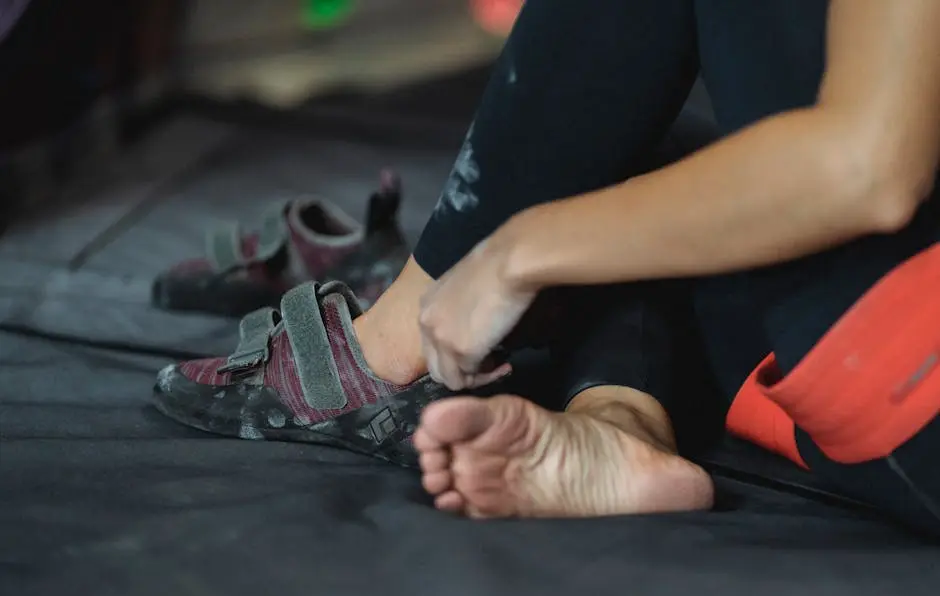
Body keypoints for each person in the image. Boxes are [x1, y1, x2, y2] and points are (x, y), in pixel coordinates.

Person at [154, 0, 940, 534]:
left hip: (913, 383)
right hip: (900, 404)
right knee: (632, 162)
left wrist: (514, 251)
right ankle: (620, 425)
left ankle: (389, 353)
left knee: (592, 194)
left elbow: (865, 169)